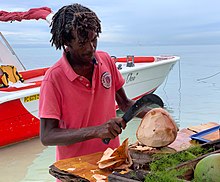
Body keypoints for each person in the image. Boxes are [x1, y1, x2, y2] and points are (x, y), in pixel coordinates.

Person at [39, 3, 150, 162]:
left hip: (113, 161)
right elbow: (47, 136)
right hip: (75, 170)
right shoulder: (53, 79)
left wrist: (153, 114)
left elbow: (125, 104)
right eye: (82, 43)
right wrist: (96, 131)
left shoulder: (106, 60)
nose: (91, 48)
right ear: (66, 43)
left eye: (94, 39)